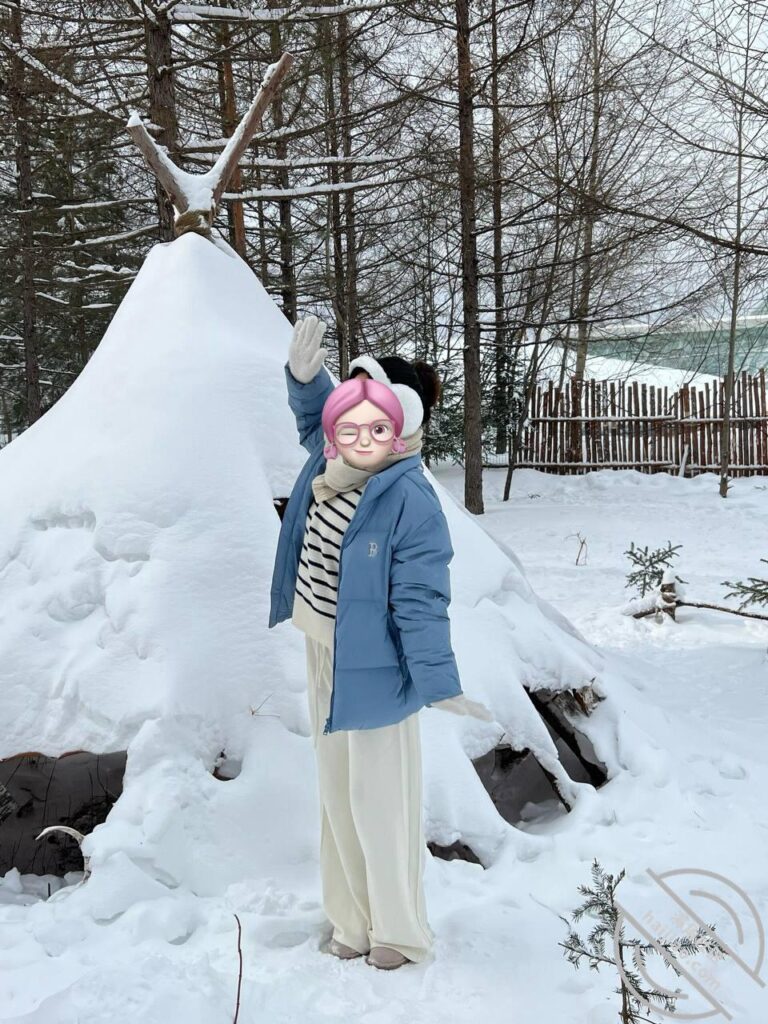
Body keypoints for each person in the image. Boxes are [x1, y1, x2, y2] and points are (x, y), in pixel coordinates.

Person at [268, 315, 494, 970]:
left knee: (380, 805)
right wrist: (306, 379)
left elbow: (421, 601)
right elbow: (314, 419)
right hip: (322, 649)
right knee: (337, 797)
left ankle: (398, 932)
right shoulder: (334, 456)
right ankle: (352, 920)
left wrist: (439, 683)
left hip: (378, 668)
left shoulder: (409, 499)